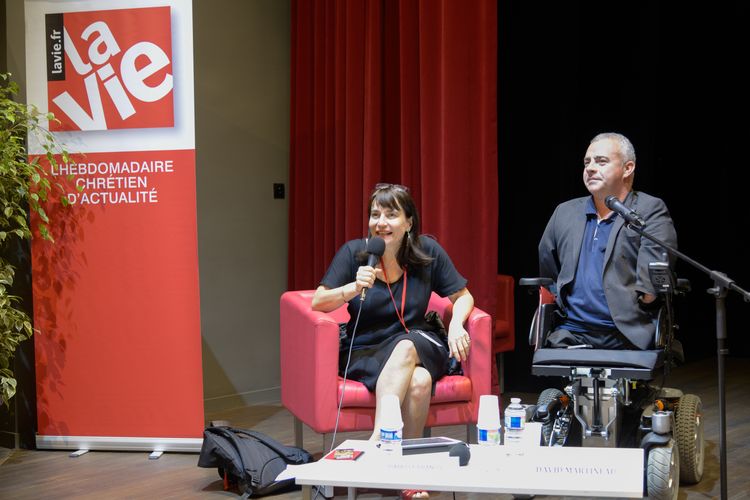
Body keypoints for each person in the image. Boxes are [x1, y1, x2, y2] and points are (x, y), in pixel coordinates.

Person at [311, 183, 474, 443]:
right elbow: (319, 301)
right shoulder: (354, 253)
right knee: (419, 381)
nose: (381, 223)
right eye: (375, 215)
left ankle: (379, 439)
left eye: (391, 215)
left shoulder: (428, 251)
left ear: (409, 222)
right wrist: (353, 288)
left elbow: (463, 296)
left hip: (418, 341)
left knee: (407, 346)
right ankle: (406, 464)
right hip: (366, 349)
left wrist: (456, 324)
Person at [538, 132, 677, 350]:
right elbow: (548, 267)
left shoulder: (649, 210)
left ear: (627, 168)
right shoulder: (564, 212)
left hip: (627, 334)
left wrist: (646, 300)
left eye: (601, 161)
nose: (590, 168)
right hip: (571, 332)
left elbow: (654, 273)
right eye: (587, 162)